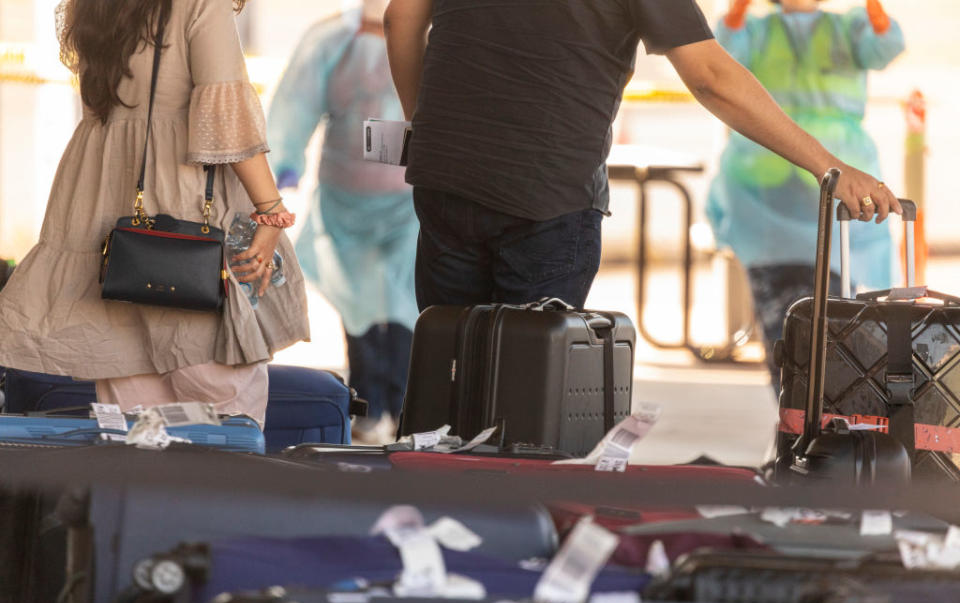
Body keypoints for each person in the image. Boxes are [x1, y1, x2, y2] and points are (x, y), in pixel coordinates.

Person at [382, 0, 903, 317]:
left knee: (446, 372)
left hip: (445, 184)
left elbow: (398, 18)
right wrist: (826, 166)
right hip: (544, 199)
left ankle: (438, 494)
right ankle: (511, 495)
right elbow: (710, 77)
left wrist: (426, 127)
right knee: (520, 397)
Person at [0, 0, 310, 425]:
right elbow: (224, 114)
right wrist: (270, 210)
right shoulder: (201, 4)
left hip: (105, 197)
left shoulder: (92, 6)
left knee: (132, 409)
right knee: (221, 400)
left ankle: (145, 492)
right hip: (185, 204)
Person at [708, 0, 905, 389]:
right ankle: (792, 417)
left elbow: (885, 47)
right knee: (782, 322)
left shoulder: (848, 28)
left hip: (838, 192)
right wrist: (738, 7)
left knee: (836, 316)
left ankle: (824, 416)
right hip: (766, 195)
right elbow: (721, 53)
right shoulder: (758, 32)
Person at [267, 0, 418, 444]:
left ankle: (404, 406)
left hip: (410, 202)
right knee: (361, 306)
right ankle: (371, 406)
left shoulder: (435, 36)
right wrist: (285, 164)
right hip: (347, 199)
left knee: (405, 304)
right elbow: (296, 100)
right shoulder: (332, 40)